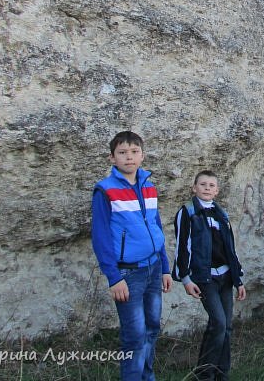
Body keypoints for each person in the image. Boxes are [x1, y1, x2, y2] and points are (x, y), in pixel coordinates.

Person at [91, 131, 173, 381]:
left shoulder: (149, 186)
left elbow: (155, 227)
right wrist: (113, 277)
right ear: (112, 157)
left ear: (142, 155)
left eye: (134, 152)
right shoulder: (105, 191)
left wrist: (166, 267)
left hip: (153, 268)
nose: (129, 157)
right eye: (122, 153)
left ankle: (147, 377)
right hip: (128, 273)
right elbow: (100, 236)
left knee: (151, 329)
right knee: (134, 336)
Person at [172, 170, 246, 381]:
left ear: (217, 190)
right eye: (202, 184)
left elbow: (230, 248)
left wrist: (238, 279)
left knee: (226, 327)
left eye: (211, 185)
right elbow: (182, 247)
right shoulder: (187, 212)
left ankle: (222, 373)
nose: (207, 188)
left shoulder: (221, 214)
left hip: (225, 276)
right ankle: (204, 375)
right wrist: (185, 278)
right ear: (194, 188)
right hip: (205, 278)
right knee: (219, 324)